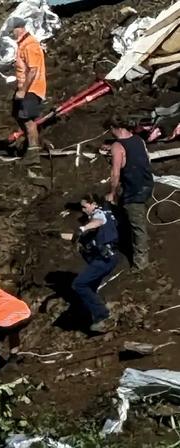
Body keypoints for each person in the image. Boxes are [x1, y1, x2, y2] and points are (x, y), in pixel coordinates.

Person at [105, 118, 154, 271]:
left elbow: (115, 174)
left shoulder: (117, 146)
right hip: (147, 184)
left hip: (134, 190)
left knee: (137, 226)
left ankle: (141, 263)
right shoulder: (139, 140)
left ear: (115, 127)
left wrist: (112, 193)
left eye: (110, 129)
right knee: (137, 218)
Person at [69, 194, 119, 333]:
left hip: (104, 260)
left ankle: (103, 317)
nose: (83, 210)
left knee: (80, 284)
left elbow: (98, 221)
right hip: (108, 257)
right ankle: (100, 310)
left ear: (93, 204)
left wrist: (82, 229)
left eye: (85, 206)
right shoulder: (106, 213)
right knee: (90, 286)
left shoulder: (99, 214)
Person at [11, 17, 47, 169]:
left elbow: (33, 70)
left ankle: (33, 154)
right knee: (19, 116)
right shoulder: (24, 44)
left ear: (18, 29)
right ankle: (30, 149)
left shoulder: (30, 45)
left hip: (32, 88)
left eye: (12, 31)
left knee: (28, 120)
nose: (11, 34)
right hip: (28, 87)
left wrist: (22, 90)